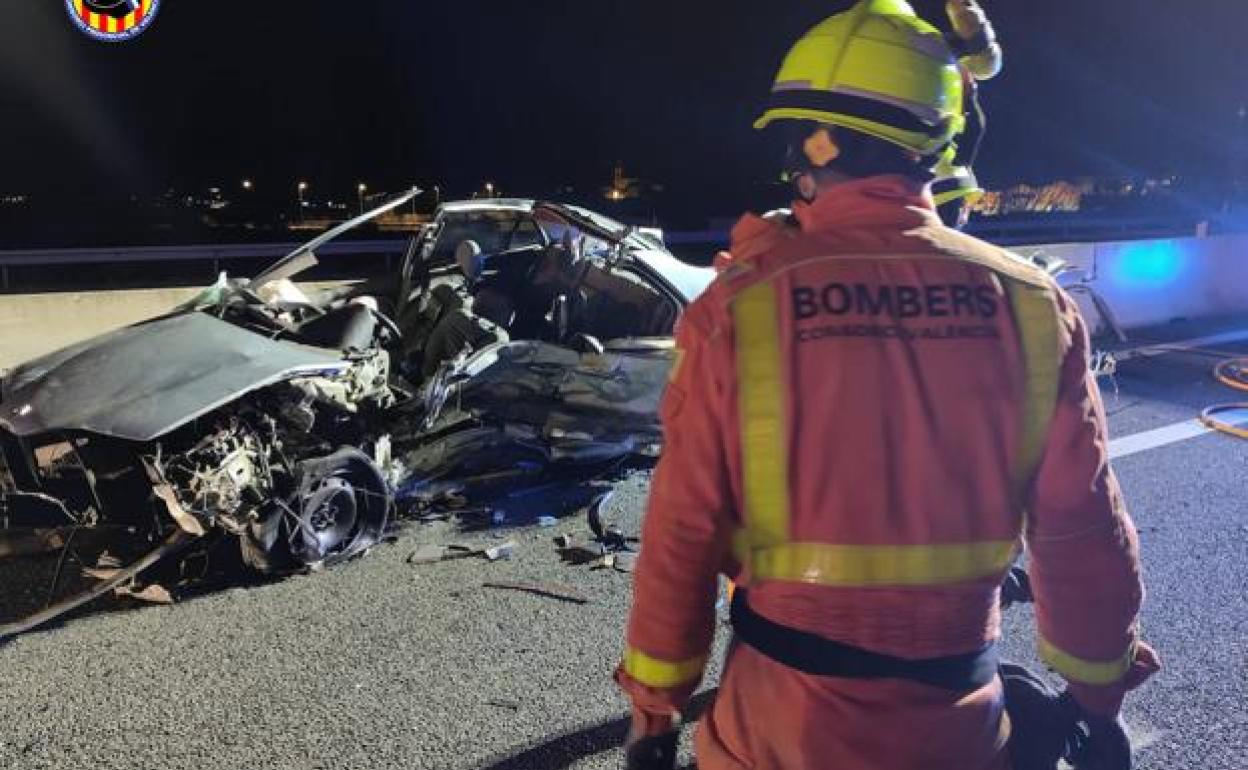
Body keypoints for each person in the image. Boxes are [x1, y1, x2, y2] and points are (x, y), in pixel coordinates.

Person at [614, 2, 1158, 769]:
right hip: (956, 734)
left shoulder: (739, 306)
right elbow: (1083, 532)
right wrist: (1098, 702)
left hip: (772, 735)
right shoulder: (1034, 307)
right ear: (940, 146)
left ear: (808, 145)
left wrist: (654, 712)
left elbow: (682, 534)